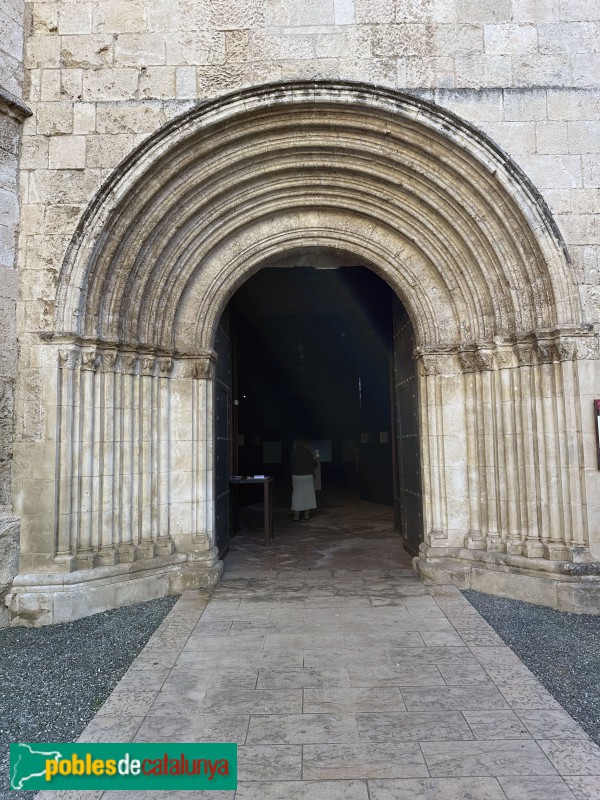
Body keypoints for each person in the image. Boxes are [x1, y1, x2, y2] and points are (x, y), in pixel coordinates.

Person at [290, 438, 318, 521]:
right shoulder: (308, 452)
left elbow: (291, 465)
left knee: (297, 495)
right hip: (307, 477)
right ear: (306, 444)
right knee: (308, 494)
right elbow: (313, 464)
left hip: (296, 477)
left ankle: (296, 516)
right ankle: (306, 515)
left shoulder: (294, 452)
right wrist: (315, 460)